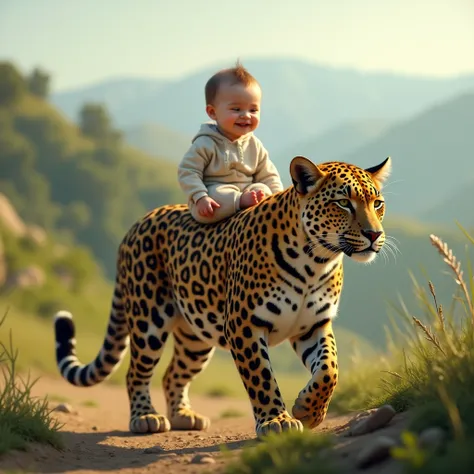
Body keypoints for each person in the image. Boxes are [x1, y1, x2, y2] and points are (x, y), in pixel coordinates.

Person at [177, 61, 284, 224]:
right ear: (213, 112)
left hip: (248, 190)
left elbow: (268, 174)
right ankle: (240, 202)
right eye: (236, 109)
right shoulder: (205, 143)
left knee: (263, 190)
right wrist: (200, 196)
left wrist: (280, 199)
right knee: (219, 194)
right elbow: (188, 171)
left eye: (253, 110)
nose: (246, 115)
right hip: (213, 198)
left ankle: (249, 204)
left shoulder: (255, 145)